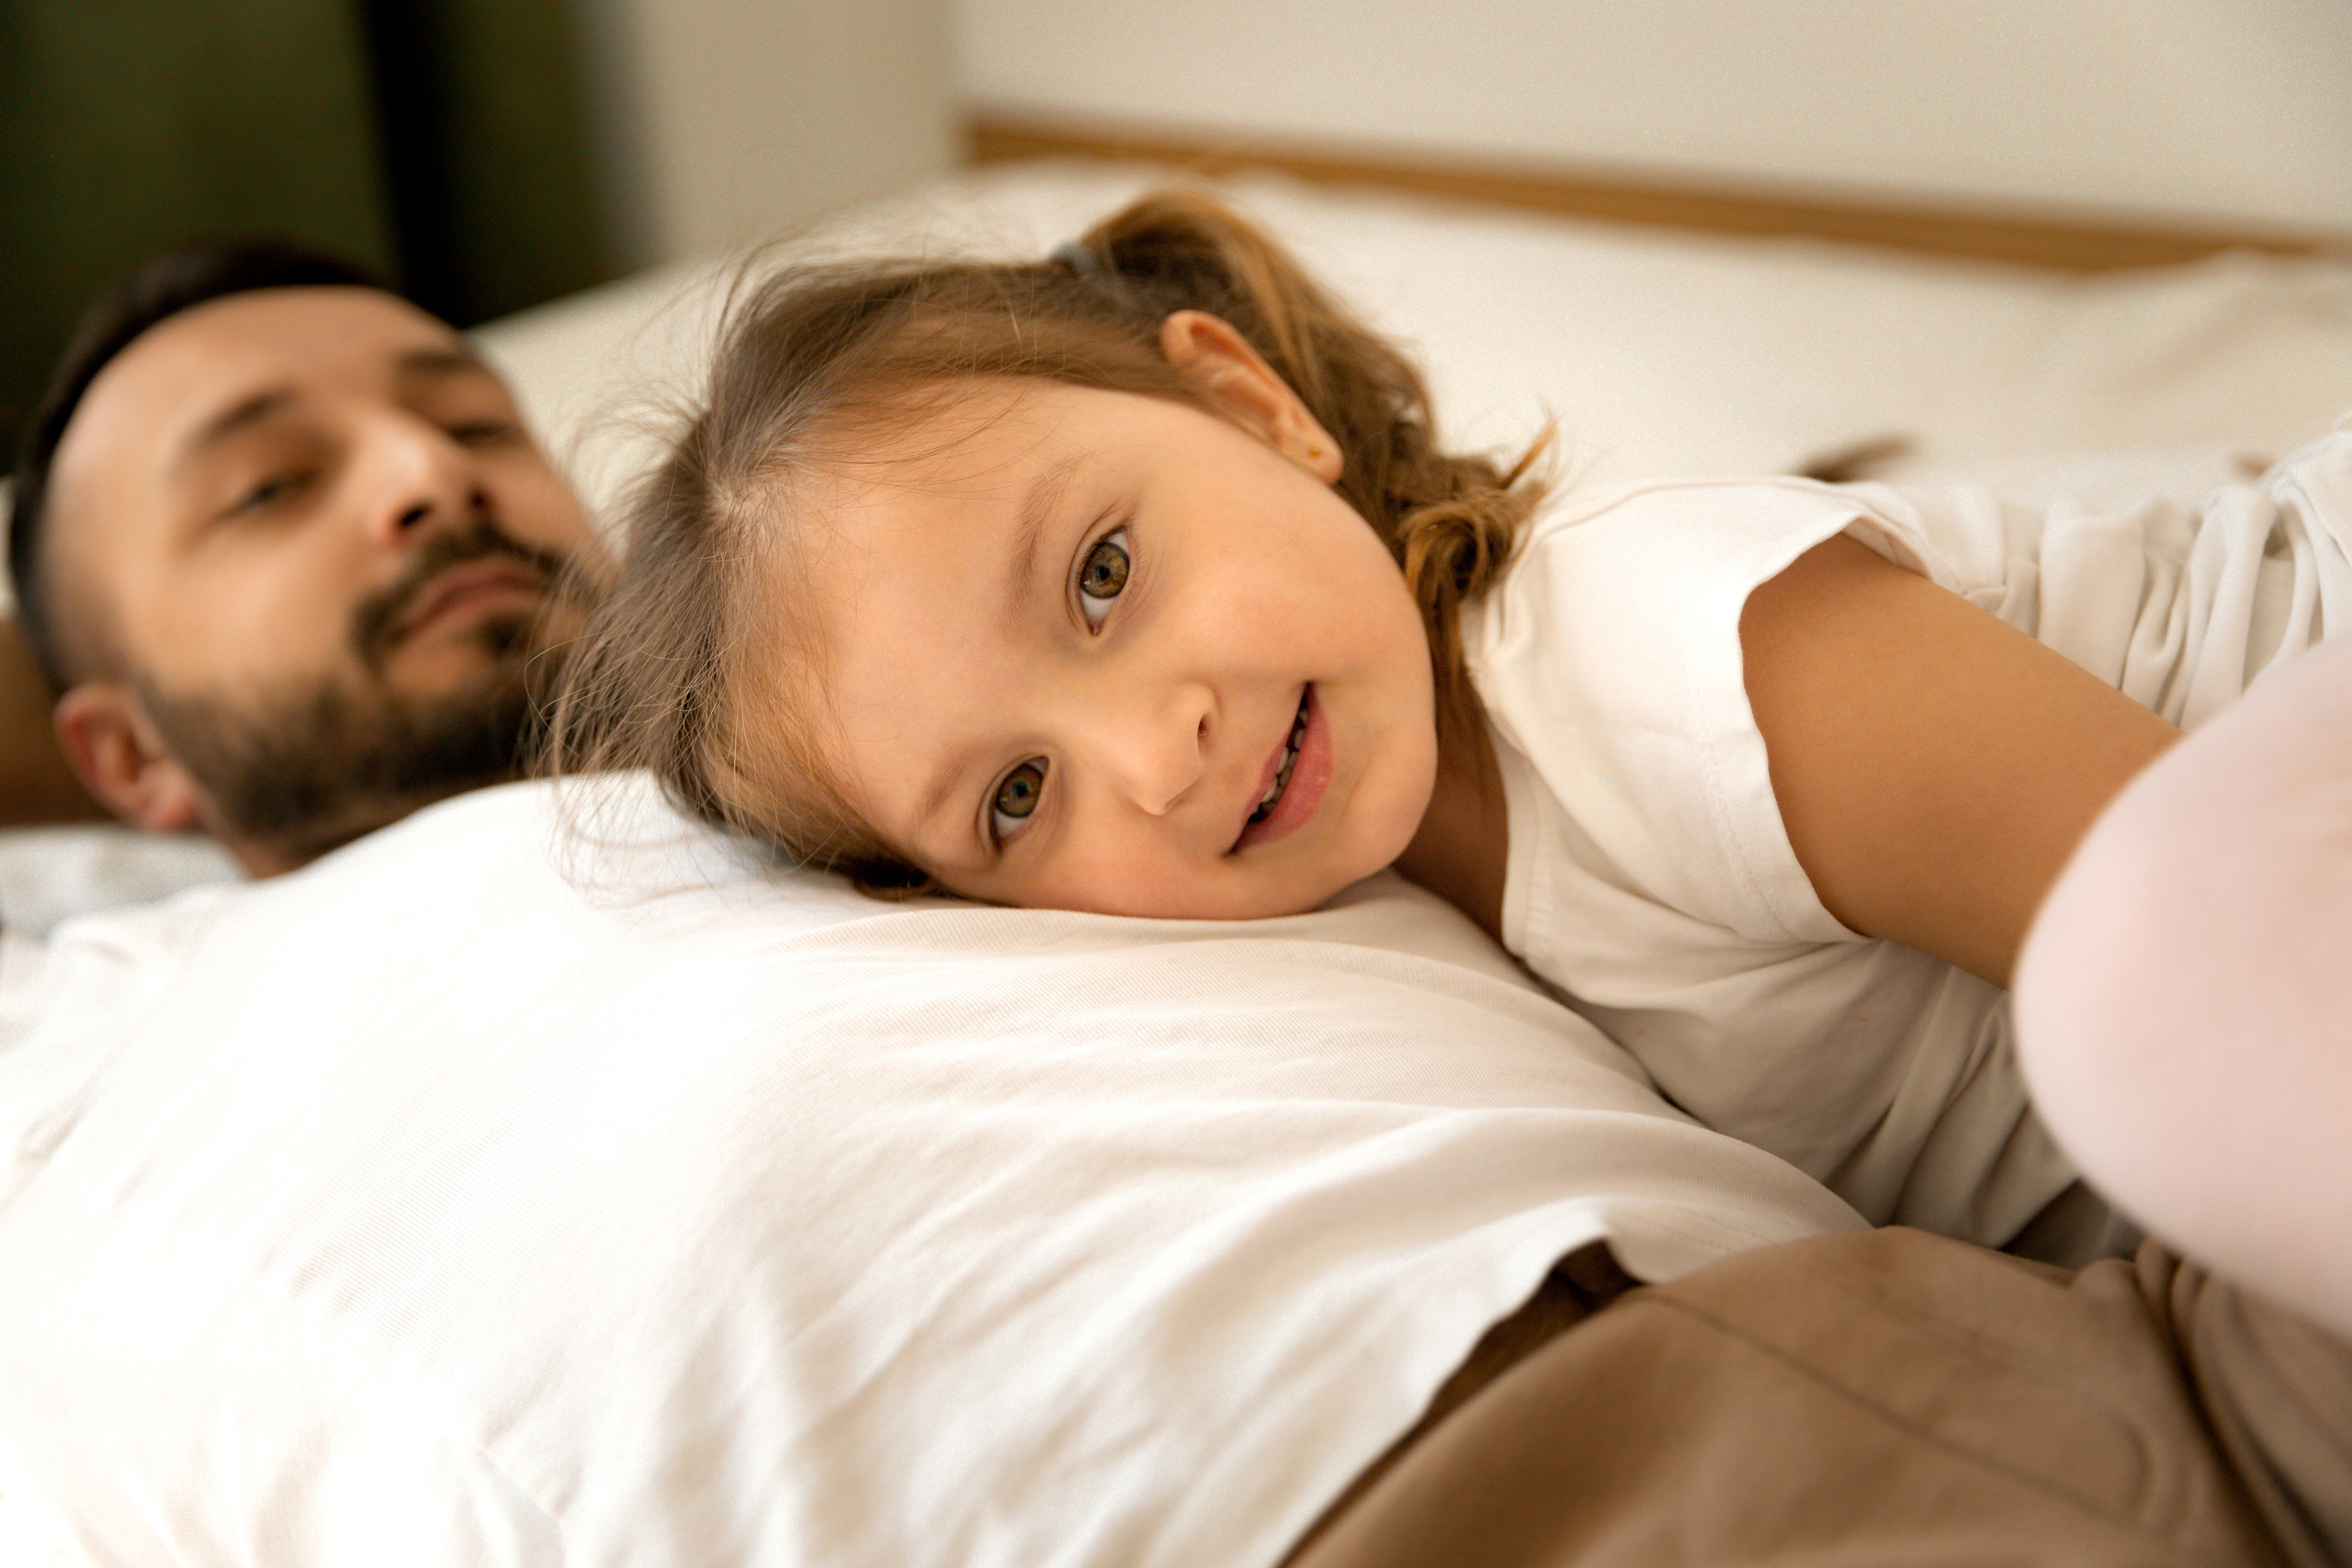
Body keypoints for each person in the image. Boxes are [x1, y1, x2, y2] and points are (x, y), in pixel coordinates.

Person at [552, 186, 2348, 1257]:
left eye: (1101, 574)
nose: (1149, 747)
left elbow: (2232, 937)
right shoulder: (1352, 929)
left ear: (1251, 410)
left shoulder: (1659, 663)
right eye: (1016, 792)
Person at [4, 238, 602, 878]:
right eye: (269, 487)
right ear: (131, 756)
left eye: (475, 428)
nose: (434, 471)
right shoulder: (112, 974)